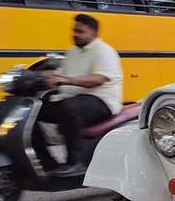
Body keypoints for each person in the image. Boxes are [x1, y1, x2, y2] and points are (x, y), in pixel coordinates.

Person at [34, 14, 123, 176]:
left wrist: (67, 80)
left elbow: (99, 79)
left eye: (80, 31)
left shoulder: (104, 51)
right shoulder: (72, 52)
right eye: (74, 30)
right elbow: (58, 74)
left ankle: (76, 163)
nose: (75, 34)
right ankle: (46, 163)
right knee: (33, 110)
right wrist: (39, 77)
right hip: (71, 99)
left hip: (101, 101)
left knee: (70, 108)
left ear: (93, 33)